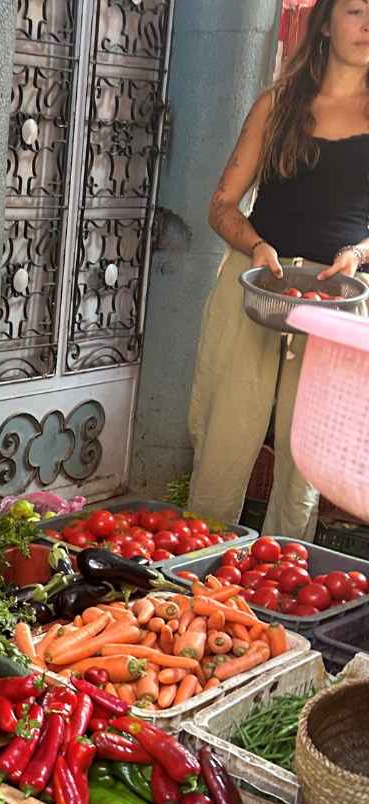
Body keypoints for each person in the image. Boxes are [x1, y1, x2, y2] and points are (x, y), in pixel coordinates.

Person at [187, 0, 369, 540]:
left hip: (337, 302)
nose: (368, 25)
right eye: (357, 10)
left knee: (305, 455)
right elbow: (221, 207)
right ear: (327, 22)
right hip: (257, 284)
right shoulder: (278, 104)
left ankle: (283, 578)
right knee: (224, 432)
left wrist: (358, 254)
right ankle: (195, 566)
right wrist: (258, 244)